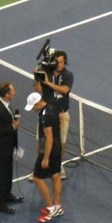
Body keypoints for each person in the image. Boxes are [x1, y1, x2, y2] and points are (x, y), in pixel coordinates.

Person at [26, 84, 64, 223]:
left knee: (37, 178)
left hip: (49, 150)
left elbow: (49, 137)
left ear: (37, 103)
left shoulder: (45, 116)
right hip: (57, 148)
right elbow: (61, 119)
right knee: (55, 175)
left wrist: (45, 157)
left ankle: (51, 208)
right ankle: (58, 206)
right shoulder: (52, 107)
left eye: (33, 106)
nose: (33, 109)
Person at [0, 83, 24, 214]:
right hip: (0, 148)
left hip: (7, 146)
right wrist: (13, 127)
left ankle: (7, 195)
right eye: (12, 91)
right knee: (1, 176)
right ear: (7, 94)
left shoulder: (5, 105)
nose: (14, 92)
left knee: (8, 173)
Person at [40, 50, 73, 179]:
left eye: (61, 62)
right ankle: (40, 165)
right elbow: (38, 89)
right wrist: (37, 78)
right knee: (42, 140)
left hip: (62, 114)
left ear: (65, 62)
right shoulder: (46, 73)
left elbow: (65, 90)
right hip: (46, 114)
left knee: (61, 142)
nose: (59, 64)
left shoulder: (68, 75)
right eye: (57, 62)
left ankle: (58, 165)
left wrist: (49, 84)